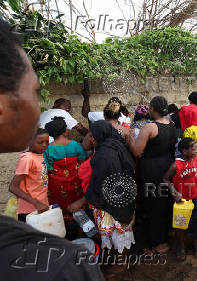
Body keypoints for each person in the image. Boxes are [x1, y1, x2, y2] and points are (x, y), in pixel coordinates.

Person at [0, 18, 104, 281]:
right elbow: (83, 155)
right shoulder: (65, 268)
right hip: (72, 188)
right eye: (35, 92)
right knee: (73, 215)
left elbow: (44, 171)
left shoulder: (42, 154)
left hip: (55, 187)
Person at [85, 120, 136, 277]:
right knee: (121, 229)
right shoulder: (117, 145)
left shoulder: (103, 155)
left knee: (117, 231)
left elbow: (101, 181)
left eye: (93, 136)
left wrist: (91, 199)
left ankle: (121, 262)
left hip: (112, 200)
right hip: (124, 195)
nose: (91, 139)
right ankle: (120, 258)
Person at [128, 96, 176, 254]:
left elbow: (137, 151)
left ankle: (158, 243)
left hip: (153, 169)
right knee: (166, 201)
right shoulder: (172, 124)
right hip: (168, 167)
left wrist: (129, 137)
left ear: (153, 109)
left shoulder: (150, 128)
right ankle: (169, 232)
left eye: (149, 107)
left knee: (154, 206)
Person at [44, 117, 88, 227]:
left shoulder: (47, 150)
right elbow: (84, 164)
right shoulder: (75, 145)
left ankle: (63, 230)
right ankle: (81, 231)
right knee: (79, 208)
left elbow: (48, 169)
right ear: (65, 131)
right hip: (76, 183)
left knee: (59, 209)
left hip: (57, 187)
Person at [164, 137, 197, 261]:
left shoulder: (195, 160)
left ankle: (196, 244)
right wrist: (174, 192)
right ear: (184, 151)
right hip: (181, 202)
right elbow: (165, 179)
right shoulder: (176, 165)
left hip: (194, 198)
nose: (196, 150)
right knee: (180, 225)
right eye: (193, 148)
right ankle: (180, 246)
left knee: (195, 222)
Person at [9, 129, 50, 222]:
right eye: (40, 142)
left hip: (40, 206)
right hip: (30, 209)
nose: (44, 145)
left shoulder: (39, 154)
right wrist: (36, 203)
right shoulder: (27, 159)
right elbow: (13, 187)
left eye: (47, 142)